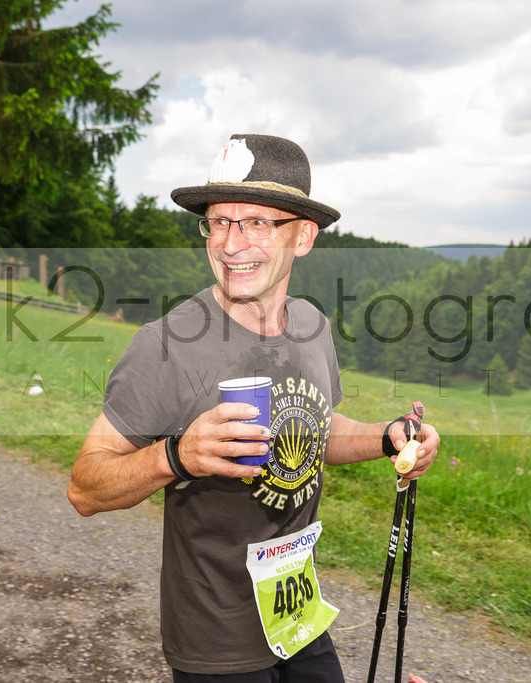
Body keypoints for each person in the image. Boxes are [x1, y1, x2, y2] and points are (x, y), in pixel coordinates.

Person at [67, 133, 440, 681]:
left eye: (257, 223)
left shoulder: (312, 325)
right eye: (218, 222)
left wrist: (390, 436)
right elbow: (84, 488)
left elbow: (315, 429)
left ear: (304, 236)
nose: (230, 243)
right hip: (216, 640)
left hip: (296, 616)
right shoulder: (166, 345)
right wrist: (176, 456)